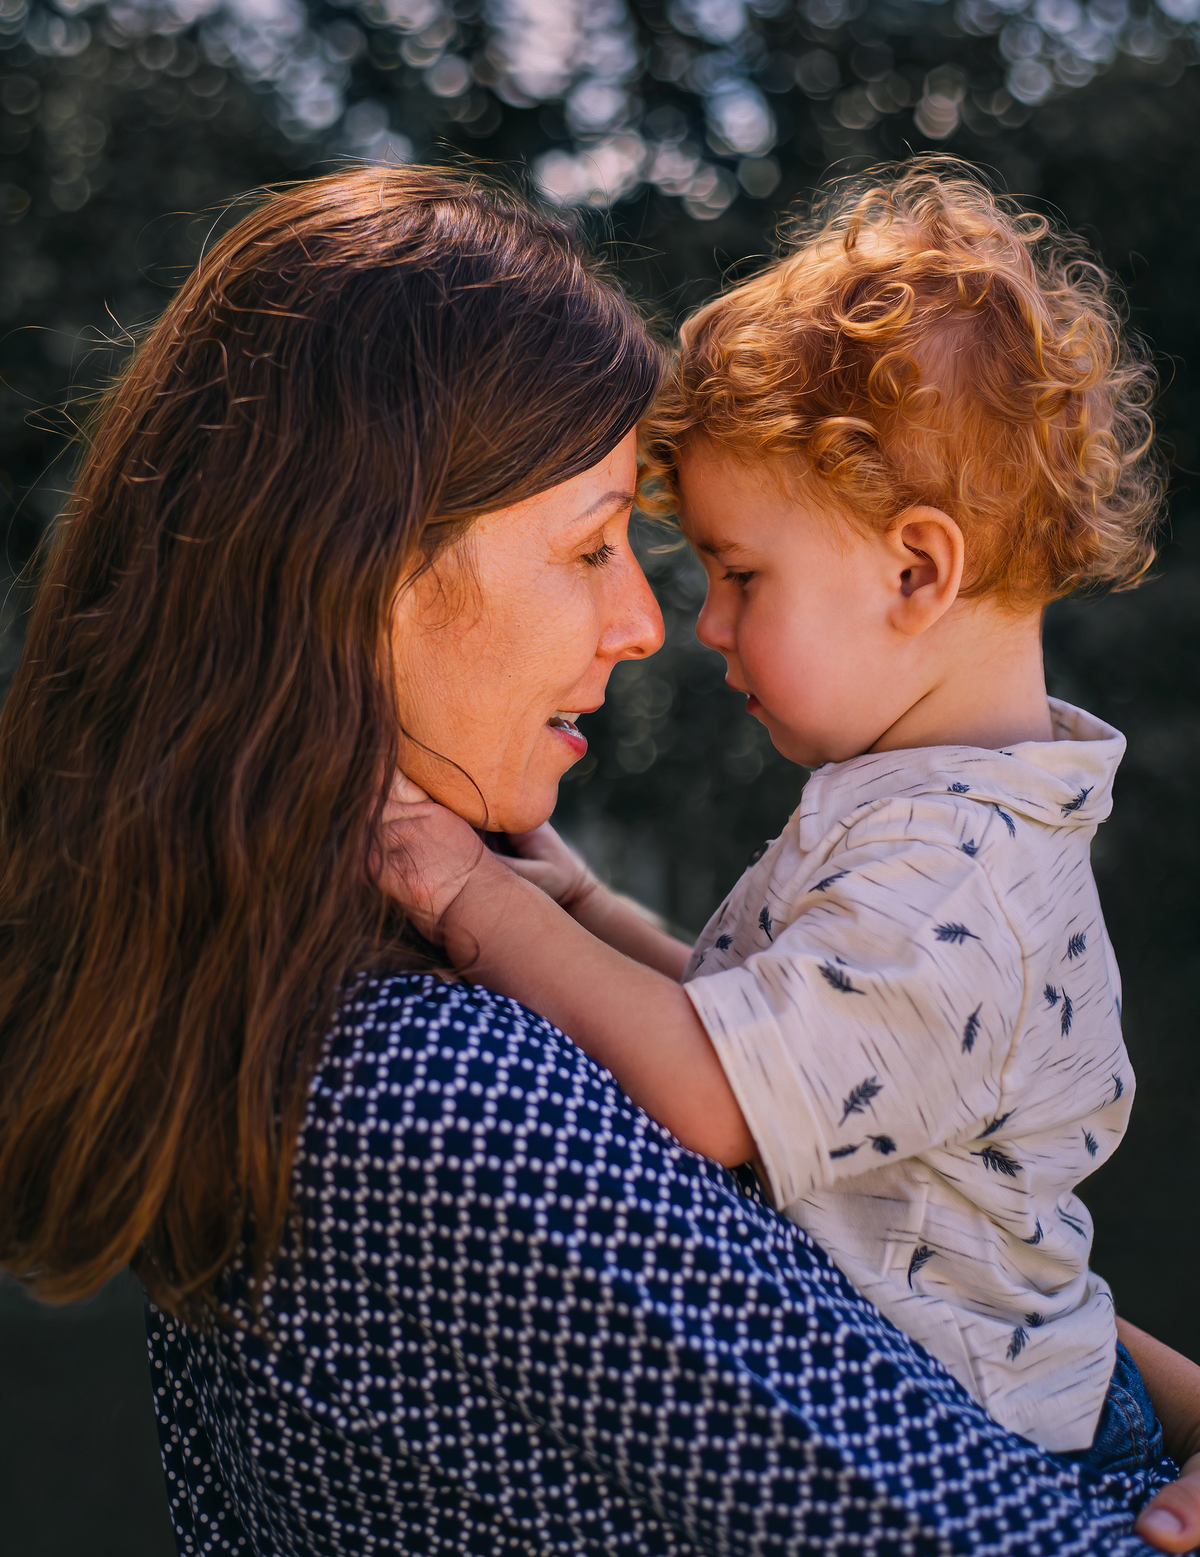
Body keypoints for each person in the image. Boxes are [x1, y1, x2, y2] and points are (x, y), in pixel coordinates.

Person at [0, 166, 1196, 1556]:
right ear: (360, 565)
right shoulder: (437, 1098)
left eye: (698, 563)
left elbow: (889, 1231)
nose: (650, 619)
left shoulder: (313, 1035)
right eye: (592, 543)